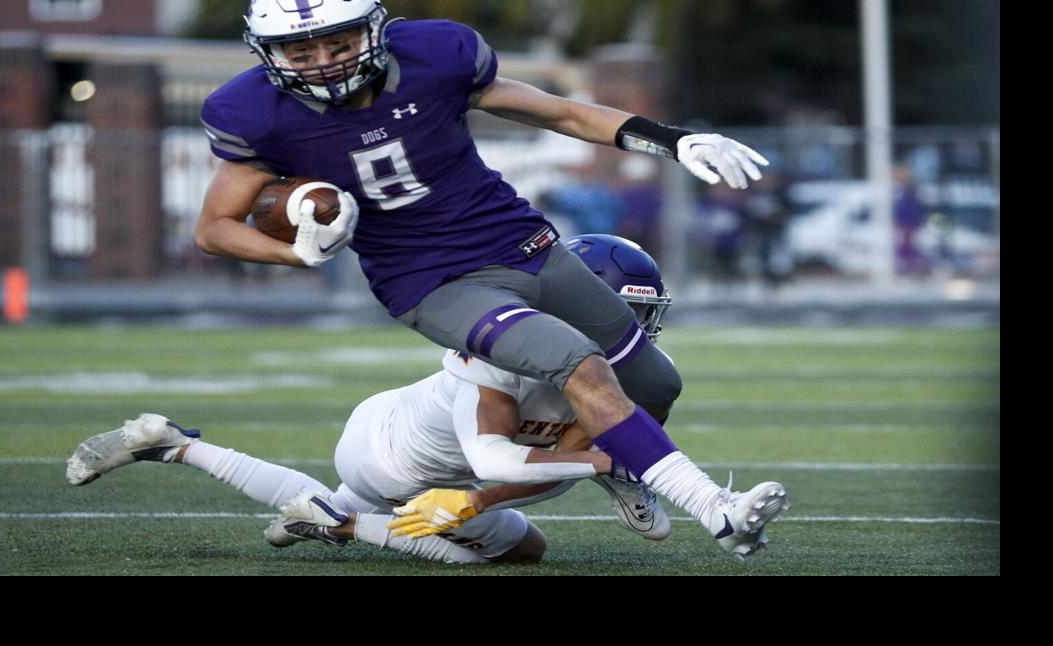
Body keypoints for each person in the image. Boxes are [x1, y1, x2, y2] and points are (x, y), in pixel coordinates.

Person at [194, 0, 786, 558]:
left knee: (656, 383)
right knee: (577, 362)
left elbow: (563, 111)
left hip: (525, 245)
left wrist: (674, 140)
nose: (324, 62)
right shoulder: (254, 114)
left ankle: (630, 468)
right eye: (301, 52)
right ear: (268, 54)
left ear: (373, 30)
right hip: (432, 280)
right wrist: (304, 254)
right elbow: (215, 227)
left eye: (338, 43)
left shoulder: (435, 57)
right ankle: (719, 512)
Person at [66, 235, 788, 562]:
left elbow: (575, 450)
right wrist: (615, 466)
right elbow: (494, 454)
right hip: (395, 452)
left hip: (478, 474)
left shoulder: (635, 372)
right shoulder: (501, 346)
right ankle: (340, 525)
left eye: (639, 315)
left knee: (528, 552)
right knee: (398, 521)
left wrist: (610, 463)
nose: (633, 331)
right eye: (621, 313)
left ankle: (175, 442)